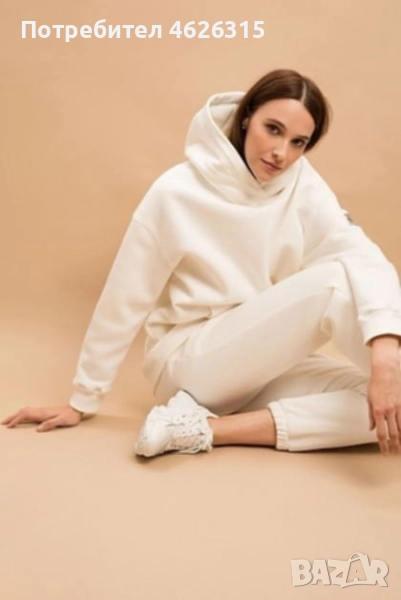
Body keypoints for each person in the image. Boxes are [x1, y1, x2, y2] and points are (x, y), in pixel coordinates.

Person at [3, 69, 401, 458]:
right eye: (272, 129)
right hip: (188, 363)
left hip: (261, 362)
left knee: (394, 399)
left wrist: (384, 348)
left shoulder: (303, 184)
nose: (282, 153)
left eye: (298, 142)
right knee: (335, 281)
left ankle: (201, 429)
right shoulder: (177, 191)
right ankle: (197, 413)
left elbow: (362, 254)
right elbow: (125, 296)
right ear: (246, 117)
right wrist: (82, 399)